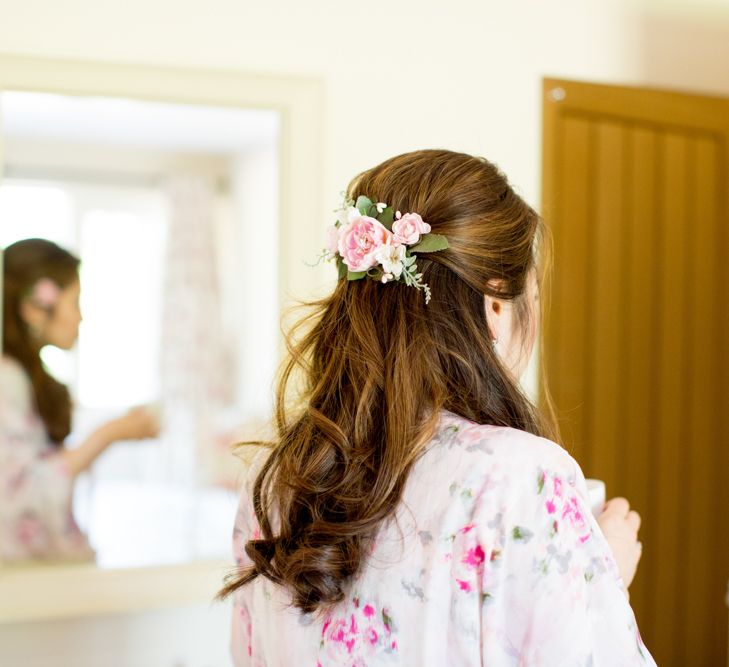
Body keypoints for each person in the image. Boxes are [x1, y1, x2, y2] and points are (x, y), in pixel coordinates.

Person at [221, 150, 655, 665]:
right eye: (532, 295)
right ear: (496, 304)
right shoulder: (522, 477)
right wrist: (598, 580)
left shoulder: (276, 480)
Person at [0, 238, 160, 562]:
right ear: (33, 308)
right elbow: (14, 494)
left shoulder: (23, 377)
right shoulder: (8, 379)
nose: (81, 318)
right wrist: (109, 434)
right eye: (75, 303)